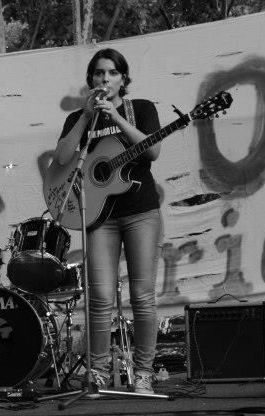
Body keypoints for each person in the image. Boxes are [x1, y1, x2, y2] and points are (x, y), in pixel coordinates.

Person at [53, 48, 162, 394]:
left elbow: (152, 151)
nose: (105, 79)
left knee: (142, 296)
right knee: (100, 297)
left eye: (112, 73)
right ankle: (98, 374)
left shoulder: (141, 109)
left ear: (123, 80)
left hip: (141, 211)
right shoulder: (77, 118)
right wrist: (86, 117)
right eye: (99, 74)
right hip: (100, 217)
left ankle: (143, 372)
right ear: (90, 81)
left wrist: (116, 116)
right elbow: (61, 157)